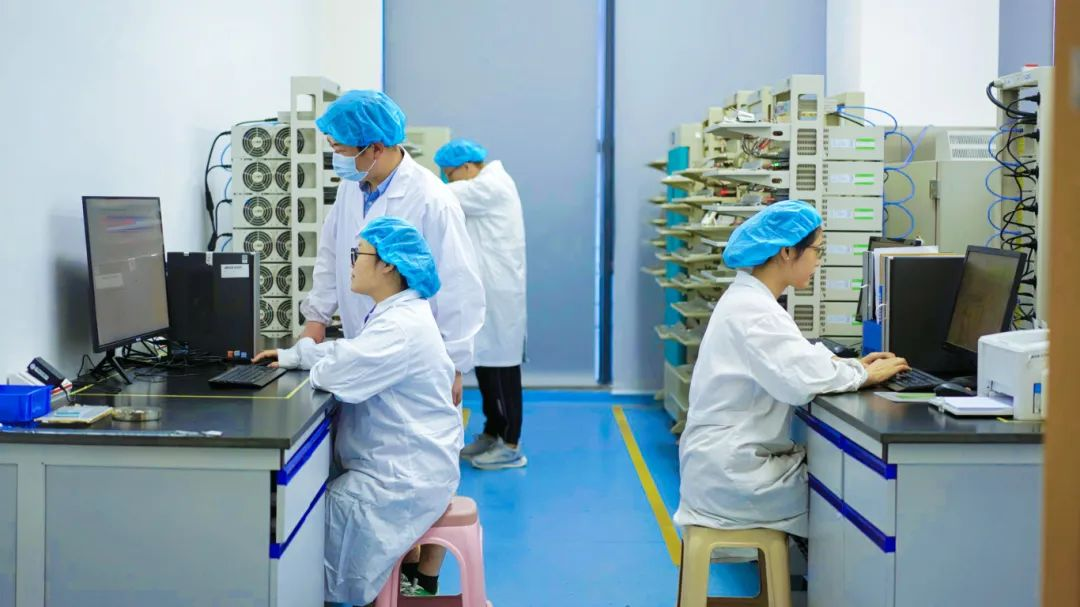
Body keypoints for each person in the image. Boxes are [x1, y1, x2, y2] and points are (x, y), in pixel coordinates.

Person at [300, 90, 485, 597]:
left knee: (406, 449)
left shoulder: (430, 198)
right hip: (376, 342)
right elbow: (331, 255)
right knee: (374, 445)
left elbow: (458, 285)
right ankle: (404, 572)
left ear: (375, 147)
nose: (337, 159)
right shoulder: (353, 189)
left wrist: (455, 362)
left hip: (414, 346)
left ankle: (417, 577)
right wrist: (315, 319)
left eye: (342, 150)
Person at [673, 201, 908, 550]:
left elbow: (796, 361)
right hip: (733, 475)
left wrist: (849, 366)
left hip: (721, 464)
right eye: (817, 251)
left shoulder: (748, 299)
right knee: (855, 492)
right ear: (786, 252)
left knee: (839, 479)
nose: (819, 261)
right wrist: (862, 373)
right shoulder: (756, 311)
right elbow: (799, 380)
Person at [254, 217, 463, 607]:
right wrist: (296, 355)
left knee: (301, 527)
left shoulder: (399, 327)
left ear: (388, 265)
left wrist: (307, 361)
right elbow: (351, 353)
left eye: (358, 254)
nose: (350, 264)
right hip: (405, 462)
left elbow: (339, 371)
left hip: (399, 477)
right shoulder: (398, 315)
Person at [434, 139, 528, 470]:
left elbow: (443, 195)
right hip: (485, 291)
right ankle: (492, 431)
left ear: (467, 167)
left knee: (504, 369)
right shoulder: (480, 185)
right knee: (486, 364)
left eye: (450, 173)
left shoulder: (492, 186)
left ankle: (511, 444)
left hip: (501, 294)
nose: (448, 180)